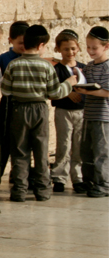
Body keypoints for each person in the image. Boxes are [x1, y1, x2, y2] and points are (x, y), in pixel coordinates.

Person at [1, 25, 77, 202]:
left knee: (20, 151)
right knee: (41, 150)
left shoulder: (13, 64)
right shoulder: (46, 66)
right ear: (41, 45)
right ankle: (42, 190)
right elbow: (54, 93)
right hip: (40, 110)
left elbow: (5, 90)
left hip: (19, 109)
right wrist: (69, 83)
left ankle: (19, 190)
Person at [0, 21, 29, 192]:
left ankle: (20, 175)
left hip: (26, 105)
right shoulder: (4, 58)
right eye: (20, 43)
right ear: (11, 40)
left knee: (23, 142)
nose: (24, 47)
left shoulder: (31, 58)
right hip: (9, 103)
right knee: (5, 141)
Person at [49, 30, 86, 193]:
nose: (70, 52)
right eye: (66, 49)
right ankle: (59, 177)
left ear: (78, 48)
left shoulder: (84, 68)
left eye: (73, 49)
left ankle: (77, 177)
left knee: (79, 145)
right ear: (58, 50)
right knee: (64, 144)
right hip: (63, 111)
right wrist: (68, 92)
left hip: (82, 112)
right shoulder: (57, 70)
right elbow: (53, 92)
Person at [76, 26, 109, 198]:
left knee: (101, 152)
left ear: (106, 46)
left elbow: (107, 91)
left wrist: (87, 92)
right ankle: (89, 181)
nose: (90, 51)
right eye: (88, 47)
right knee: (86, 150)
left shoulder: (107, 67)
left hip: (103, 117)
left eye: (94, 48)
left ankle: (104, 184)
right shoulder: (89, 67)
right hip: (88, 114)